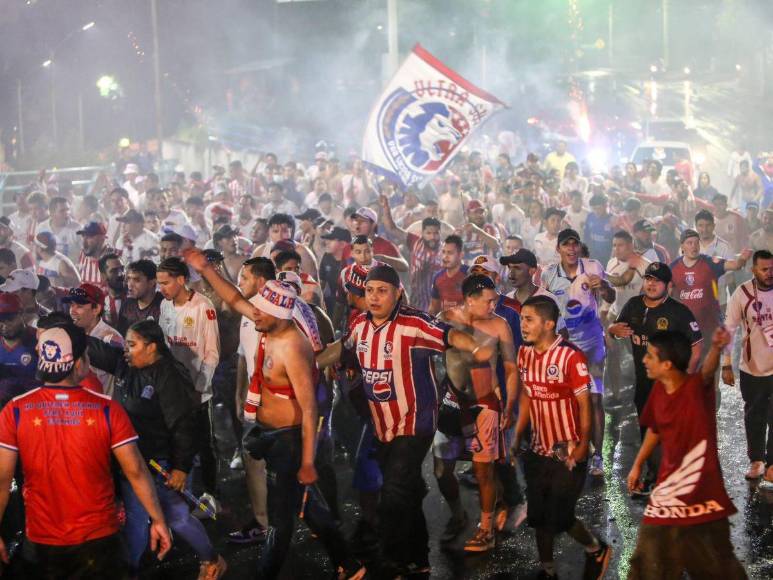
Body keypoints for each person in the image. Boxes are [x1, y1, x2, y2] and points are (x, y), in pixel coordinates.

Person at [185, 250, 365, 580]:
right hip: (270, 434)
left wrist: (307, 461)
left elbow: (309, 409)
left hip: (288, 442)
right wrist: (206, 269)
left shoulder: (293, 347)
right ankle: (350, 565)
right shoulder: (270, 322)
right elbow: (235, 298)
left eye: (261, 314)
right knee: (308, 506)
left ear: (280, 316)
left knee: (280, 522)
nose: (255, 317)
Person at [318, 264, 492, 576]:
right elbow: (341, 348)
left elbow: (449, 334)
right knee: (406, 491)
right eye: (370, 291)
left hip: (415, 423)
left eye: (382, 291)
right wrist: (309, 363)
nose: (374, 297)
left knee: (393, 493)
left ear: (398, 293)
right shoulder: (360, 325)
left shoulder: (414, 323)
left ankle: (391, 562)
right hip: (382, 424)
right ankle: (419, 560)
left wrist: (475, 347)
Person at [0, 323, 172, 577]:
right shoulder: (107, 410)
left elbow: (2, 480)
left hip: (42, 541)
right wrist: (158, 519)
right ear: (79, 363)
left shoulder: (14, 411)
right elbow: (135, 470)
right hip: (99, 540)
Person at [86, 320, 227, 578]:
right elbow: (95, 350)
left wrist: (181, 468)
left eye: (132, 345)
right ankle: (131, 573)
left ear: (151, 347)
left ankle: (212, 559)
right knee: (136, 519)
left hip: (162, 463)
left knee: (177, 518)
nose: (126, 350)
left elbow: (184, 424)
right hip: (133, 461)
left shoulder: (170, 376)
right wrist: (65, 331)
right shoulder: (126, 365)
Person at [626, 329, 746, 580]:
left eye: (650, 356)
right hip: (667, 494)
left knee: (717, 567)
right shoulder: (658, 390)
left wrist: (716, 347)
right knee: (647, 564)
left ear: (667, 364)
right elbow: (654, 429)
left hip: (704, 495)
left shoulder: (695, 388)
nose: (644, 360)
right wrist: (637, 465)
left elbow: (707, 371)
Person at [510, 296, 612, 580]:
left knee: (560, 516)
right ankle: (548, 570)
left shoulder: (570, 356)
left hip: (568, 452)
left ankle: (595, 548)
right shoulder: (524, 353)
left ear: (548, 324)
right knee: (539, 517)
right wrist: (517, 435)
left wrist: (582, 446)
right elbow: (527, 395)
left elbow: (585, 405)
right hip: (538, 450)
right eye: (522, 319)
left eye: (529, 319)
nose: (523, 325)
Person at [433, 274, 517, 552]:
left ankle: (486, 529)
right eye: (489, 301)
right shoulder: (446, 319)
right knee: (441, 470)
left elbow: (511, 367)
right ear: (470, 299)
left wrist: (510, 403)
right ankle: (458, 514)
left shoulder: (499, 325)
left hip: (485, 402)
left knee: (483, 470)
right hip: (451, 403)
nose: (494, 305)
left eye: (495, 300)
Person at [608, 263, 703, 493]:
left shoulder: (679, 312)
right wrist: (612, 330)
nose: (651, 284)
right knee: (648, 430)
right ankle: (654, 476)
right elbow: (615, 330)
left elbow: (697, 347)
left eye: (657, 280)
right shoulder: (633, 305)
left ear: (668, 286)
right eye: (648, 279)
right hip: (643, 382)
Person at [542, 229, 615, 476]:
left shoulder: (593, 267)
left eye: (575, 244)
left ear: (579, 247)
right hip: (563, 345)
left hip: (592, 342)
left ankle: (598, 456)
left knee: (594, 398)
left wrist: (603, 286)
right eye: (566, 245)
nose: (571, 249)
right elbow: (545, 307)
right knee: (565, 399)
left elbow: (611, 296)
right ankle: (570, 446)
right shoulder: (549, 274)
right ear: (558, 249)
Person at [157, 257, 221, 516]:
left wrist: (199, 388)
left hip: (197, 392)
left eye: (165, 282)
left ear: (181, 280)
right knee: (176, 442)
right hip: (172, 390)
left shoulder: (203, 307)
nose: (161, 288)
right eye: (159, 283)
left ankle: (211, 496)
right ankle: (180, 494)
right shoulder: (164, 306)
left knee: (205, 443)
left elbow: (212, 353)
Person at [228, 257, 276, 545]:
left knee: (279, 463)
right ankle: (263, 521)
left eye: (244, 278)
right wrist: (239, 393)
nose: (239, 283)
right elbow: (243, 355)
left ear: (260, 281)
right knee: (253, 459)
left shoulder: (274, 312)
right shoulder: (248, 311)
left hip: (274, 403)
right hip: (253, 401)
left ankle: (281, 521)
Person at [722, 250, 773, 486]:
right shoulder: (742, 294)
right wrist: (726, 364)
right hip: (752, 368)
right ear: (753, 270)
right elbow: (729, 329)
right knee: (754, 415)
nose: (769, 273)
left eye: (772, 269)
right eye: (764, 269)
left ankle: (771, 464)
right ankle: (756, 460)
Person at [670, 229, 751, 361]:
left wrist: (742, 258)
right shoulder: (673, 268)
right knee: (690, 365)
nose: (694, 246)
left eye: (696, 242)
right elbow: (666, 294)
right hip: (685, 328)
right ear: (682, 247)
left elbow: (735, 265)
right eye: (689, 243)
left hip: (710, 325)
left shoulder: (710, 262)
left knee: (711, 364)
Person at [380, 196, 442, 311]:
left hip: (437, 305)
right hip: (416, 302)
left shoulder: (446, 250)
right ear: (422, 233)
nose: (432, 237)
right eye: (429, 233)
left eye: (436, 233)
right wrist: (386, 207)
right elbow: (392, 228)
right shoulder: (415, 241)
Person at [64, 283, 125, 396]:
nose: (72, 311)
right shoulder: (72, 334)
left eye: (79, 306)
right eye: (71, 305)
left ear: (96, 309)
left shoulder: (111, 337)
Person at [0, 292, 38, 400]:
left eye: (10, 318)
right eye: (0, 320)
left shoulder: (39, 339)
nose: (5, 324)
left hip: (33, 404)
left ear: (22, 314)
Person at [118, 259, 164, 335]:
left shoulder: (164, 306)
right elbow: (121, 337)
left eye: (136, 280)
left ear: (152, 283)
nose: (130, 285)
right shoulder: (127, 305)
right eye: (128, 279)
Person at [429, 235, 468, 315]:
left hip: (467, 322)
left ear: (461, 255)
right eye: (443, 252)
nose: (445, 256)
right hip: (444, 322)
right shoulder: (438, 277)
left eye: (450, 253)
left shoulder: (470, 276)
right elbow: (433, 308)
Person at [76, 222, 111, 289]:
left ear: (102, 239)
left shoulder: (117, 258)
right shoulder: (82, 256)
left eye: (89, 237)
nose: (84, 242)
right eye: (83, 236)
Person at [99, 253, 126, 330]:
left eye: (122, 269)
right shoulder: (99, 302)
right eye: (114, 271)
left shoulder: (137, 297)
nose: (120, 274)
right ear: (103, 276)